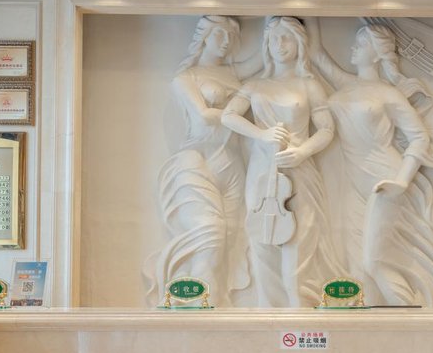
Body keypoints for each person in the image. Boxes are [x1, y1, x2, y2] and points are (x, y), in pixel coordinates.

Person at [306, 18, 433, 306]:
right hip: (352, 183)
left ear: (377, 54)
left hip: (384, 180)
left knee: (375, 259)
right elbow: (315, 52)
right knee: (356, 263)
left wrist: (401, 180)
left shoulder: (389, 94)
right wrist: (309, 9)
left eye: (362, 43)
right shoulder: (345, 84)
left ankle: (410, 316)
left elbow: (419, 137)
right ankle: (366, 324)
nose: (353, 47)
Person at [222, 16, 344, 307]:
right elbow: (229, 116)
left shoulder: (309, 85)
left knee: (299, 239)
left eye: (287, 37)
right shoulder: (255, 85)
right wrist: (261, 134)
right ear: (266, 44)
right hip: (262, 171)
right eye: (274, 38)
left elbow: (327, 129)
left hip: (299, 170)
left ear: (299, 43)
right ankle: (269, 310)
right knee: (261, 237)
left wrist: (303, 151)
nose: (280, 44)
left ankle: (299, 306)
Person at [144, 16, 262, 307]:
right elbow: (203, 115)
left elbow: (264, 57)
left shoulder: (233, 73)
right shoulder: (185, 79)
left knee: (231, 239)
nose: (226, 41)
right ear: (205, 36)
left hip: (232, 163)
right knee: (211, 235)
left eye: (231, 35)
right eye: (220, 34)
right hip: (197, 160)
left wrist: (286, 15)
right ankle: (197, 307)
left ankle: (216, 304)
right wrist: (241, 120)